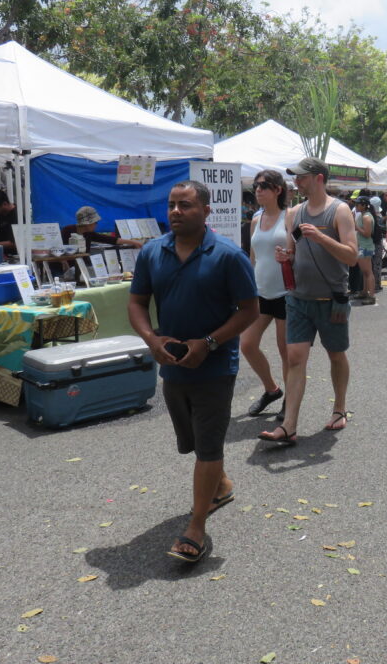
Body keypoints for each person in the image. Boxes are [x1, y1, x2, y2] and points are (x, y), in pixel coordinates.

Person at [127, 180, 258, 563]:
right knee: (194, 442)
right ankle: (221, 485)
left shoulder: (229, 255)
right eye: (171, 205)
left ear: (205, 211)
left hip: (215, 367)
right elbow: (136, 303)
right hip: (172, 366)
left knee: (209, 444)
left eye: (185, 205)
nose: (175, 212)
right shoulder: (153, 252)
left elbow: (248, 310)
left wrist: (210, 344)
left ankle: (196, 527)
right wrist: (153, 341)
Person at [260, 157, 358, 444]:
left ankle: (339, 408)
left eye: (301, 177)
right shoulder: (294, 213)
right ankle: (289, 426)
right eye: (295, 177)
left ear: (318, 178)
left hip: (332, 299)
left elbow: (352, 256)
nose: (296, 182)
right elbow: (293, 251)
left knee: (336, 354)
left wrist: (322, 239)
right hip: (298, 298)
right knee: (295, 358)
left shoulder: (340, 211)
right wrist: (285, 257)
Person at [242, 170, 290, 418]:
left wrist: (290, 257)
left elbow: (300, 251)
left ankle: (290, 401)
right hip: (260, 293)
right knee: (247, 344)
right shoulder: (256, 219)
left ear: (277, 190)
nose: (258, 190)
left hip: (285, 293)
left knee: (286, 351)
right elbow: (254, 256)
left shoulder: (289, 217)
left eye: (263, 186)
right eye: (256, 186)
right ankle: (272, 389)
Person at [61, 206, 143, 251]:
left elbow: (110, 239)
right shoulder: (67, 231)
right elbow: (58, 248)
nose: (96, 225)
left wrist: (134, 242)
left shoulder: (89, 233)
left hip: (83, 266)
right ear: (87, 223)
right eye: (95, 222)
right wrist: (64, 262)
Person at [352, 196, 377, 304]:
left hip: (365, 247)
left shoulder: (366, 217)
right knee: (365, 272)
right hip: (362, 246)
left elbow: (367, 234)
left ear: (363, 205)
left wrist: (356, 227)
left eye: (357, 204)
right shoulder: (362, 215)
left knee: (368, 272)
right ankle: (364, 292)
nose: (355, 206)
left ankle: (371, 296)